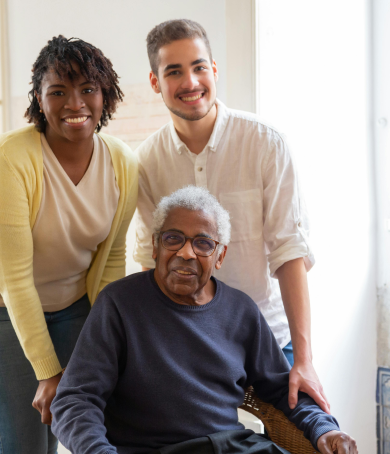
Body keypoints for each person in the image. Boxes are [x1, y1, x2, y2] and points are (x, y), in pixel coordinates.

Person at [51, 186, 357, 454]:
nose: (186, 253)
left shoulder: (242, 311)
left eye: (203, 243)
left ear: (220, 256)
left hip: (234, 446)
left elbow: (282, 390)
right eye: (174, 239)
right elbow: (75, 400)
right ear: (155, 247)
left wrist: (325, 429)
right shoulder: (118, 304)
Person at [134, 19, 329, 414]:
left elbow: (290, 252)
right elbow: (148, 262)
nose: (190, 81)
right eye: (174, 71)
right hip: (185, 344)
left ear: (214, 70)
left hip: (270, 340)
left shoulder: (266, 143)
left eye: (199, 66)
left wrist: (304, 360)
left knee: (314, 430)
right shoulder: (145, 163)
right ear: (155, 83)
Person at [0, 35, 138, 454]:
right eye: (57, 91)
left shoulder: (123, 162)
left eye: (88, 89)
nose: (74, 104)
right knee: (25, 443)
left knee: (80, 429)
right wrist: (46, 370)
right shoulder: (12, 159)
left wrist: (106, 337)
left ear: (105, 96)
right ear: (39, 100)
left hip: (78, 309)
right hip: (10, 313)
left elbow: (112, 257)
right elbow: (15, 278)